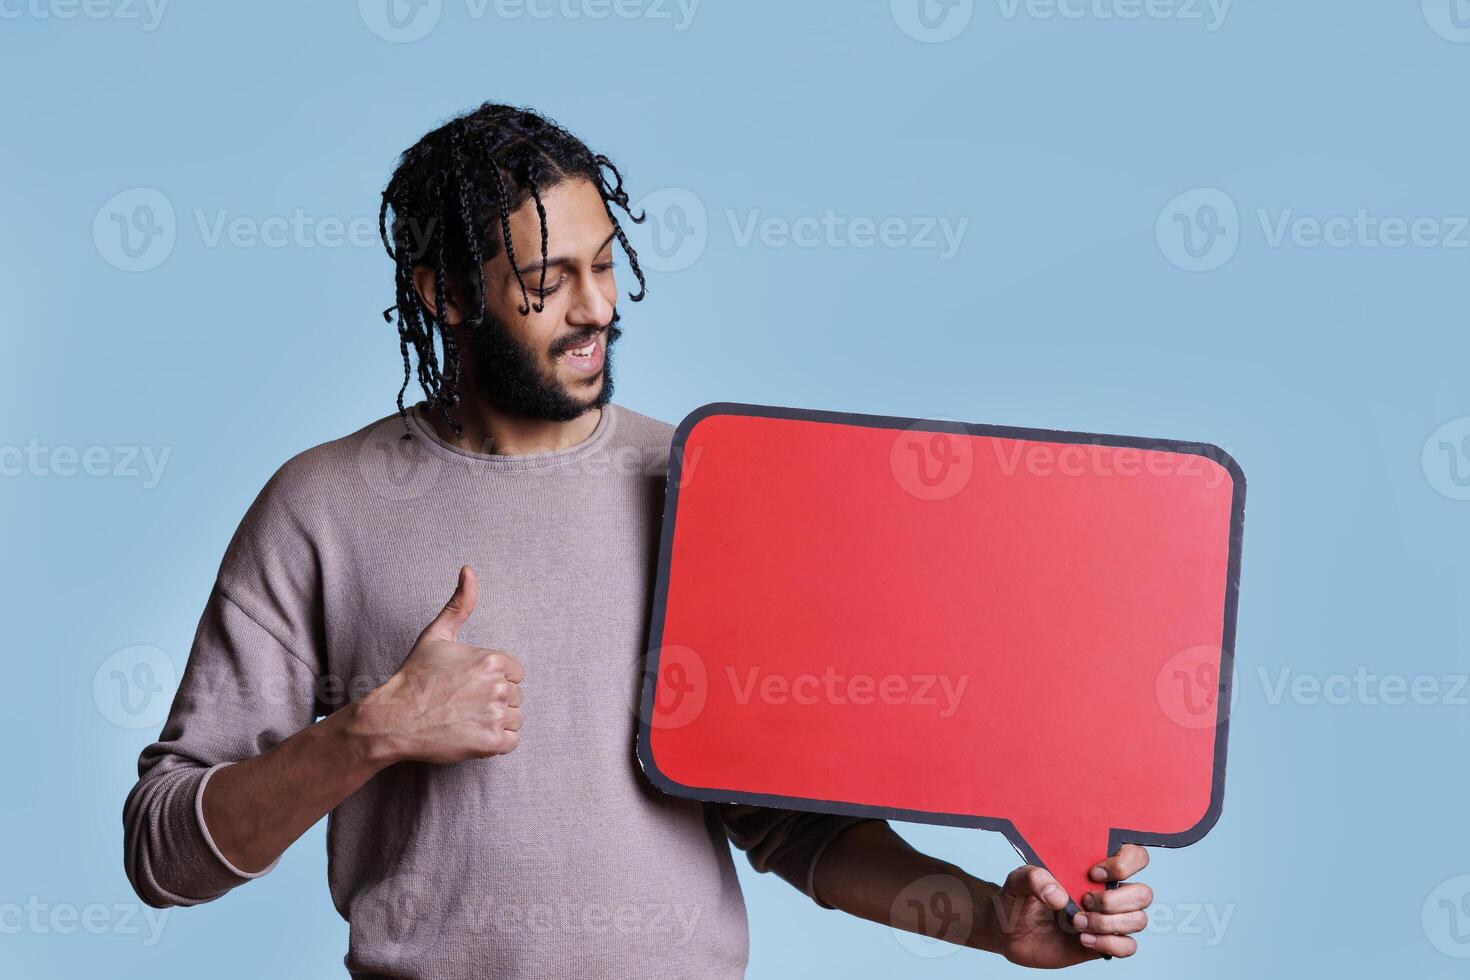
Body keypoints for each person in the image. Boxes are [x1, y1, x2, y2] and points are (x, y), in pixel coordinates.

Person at [122, 102, 1153, 979]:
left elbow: (792, 823)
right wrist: (370, 731)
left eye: (607, 264)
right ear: (441, 292)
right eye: (549, 278)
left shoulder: (707, 487)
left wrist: (988, 916)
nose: (597, 307)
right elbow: (166, 850)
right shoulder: (321, 506)